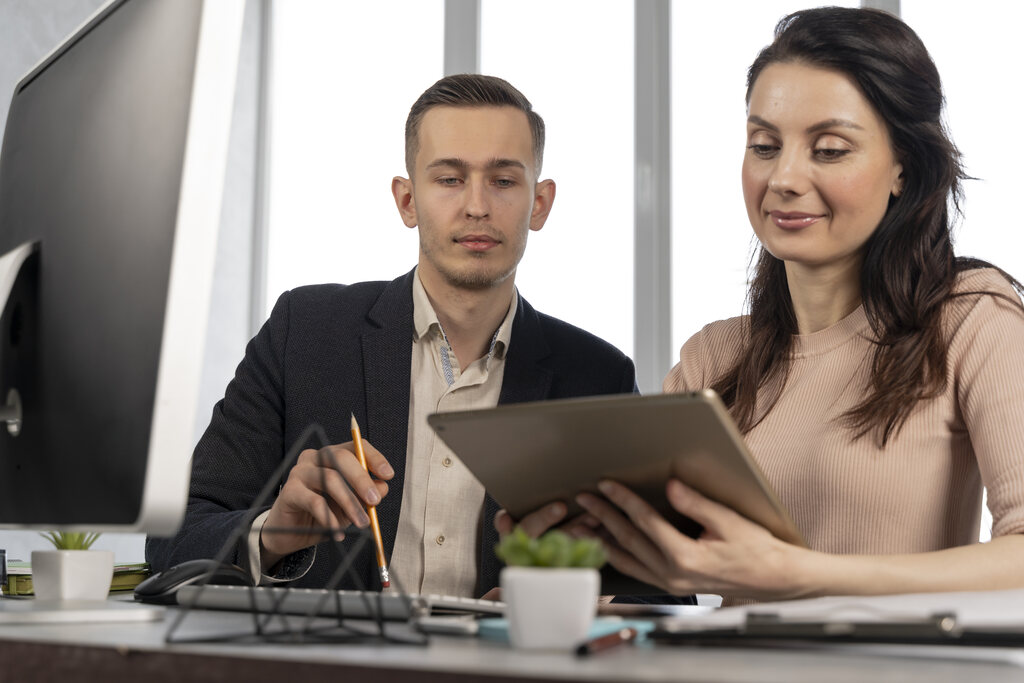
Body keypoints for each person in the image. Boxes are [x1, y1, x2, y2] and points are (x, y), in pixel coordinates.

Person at [576, 7, 1024, 602]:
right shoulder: (714, 358)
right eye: (764, 145)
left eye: (830, 149)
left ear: (904, 167)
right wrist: (565, 573)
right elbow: (657, 574)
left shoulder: (971, 319)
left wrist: (803, 575)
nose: (784, 177)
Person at [145, 74, 637, 599]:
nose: (476, 206)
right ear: (406, 200)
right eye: (449, 179)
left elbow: (662, 593)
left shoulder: (599, 376)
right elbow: (174, 541)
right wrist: (277, 530)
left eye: (503, 181)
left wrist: (573, 602)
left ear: (539, 204)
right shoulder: (305, 331)